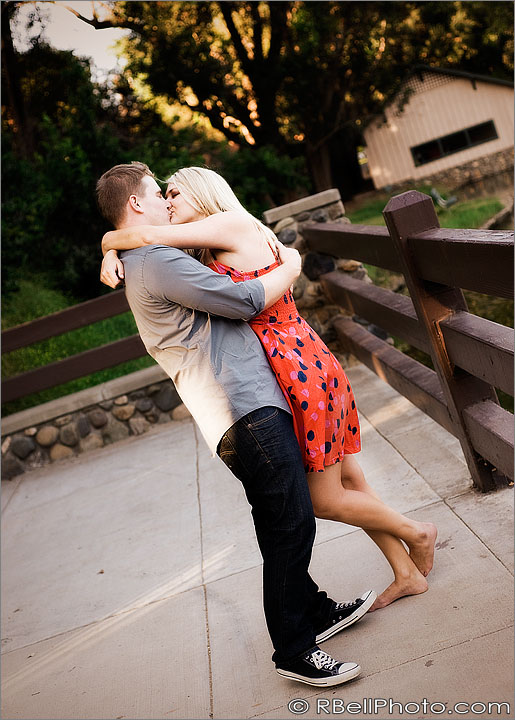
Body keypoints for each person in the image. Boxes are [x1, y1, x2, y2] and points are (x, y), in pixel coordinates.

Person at [101, 166, 438, 612]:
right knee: (350, 478)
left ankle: (417, 532)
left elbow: (141, 237)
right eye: (162, 194)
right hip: (302, 360)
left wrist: (111, 243)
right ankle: (406, 572)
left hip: (297, 367)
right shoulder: (212, 239)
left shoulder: (230, 224)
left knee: (322, 497)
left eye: (175, 192)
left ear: (203, 193)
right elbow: (137, 235)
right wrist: (108, 245)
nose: (168, 201)